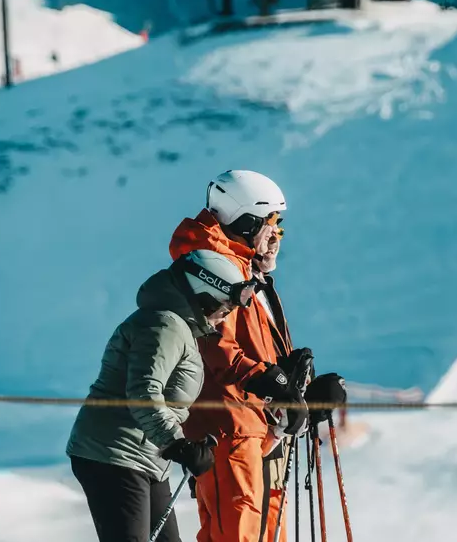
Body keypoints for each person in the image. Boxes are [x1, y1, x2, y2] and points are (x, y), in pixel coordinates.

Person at [66, 249, 260, 542]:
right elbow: (144, 391)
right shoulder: (165, 325)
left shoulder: (178, 327)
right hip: (115, 454)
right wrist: (176, 444)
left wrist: (181, 444)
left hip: (145, 458)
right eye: (226, 305)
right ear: (205, 294)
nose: (226, 315)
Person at [168, 171, 311, 542]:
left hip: (255, 425)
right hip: (229, 426)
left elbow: (255, 347)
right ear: (247, 222)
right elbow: (218, 347)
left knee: (263, 530)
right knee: (238, 534)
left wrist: (295, 385)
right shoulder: (215, 273)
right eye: (272, 223)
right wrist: (271, 380)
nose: (277, 234)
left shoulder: (246, 271)